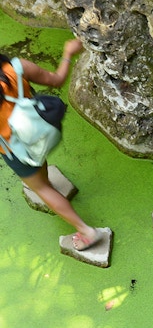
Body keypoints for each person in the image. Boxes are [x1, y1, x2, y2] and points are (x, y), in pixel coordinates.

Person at [0, 38, 101, 251]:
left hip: (16, 150)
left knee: (42, 189)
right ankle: (44, 179)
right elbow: (57, 80)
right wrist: (68, 53)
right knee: (39, 164)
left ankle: (86, 231)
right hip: (41, 131)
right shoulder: (17, 67)